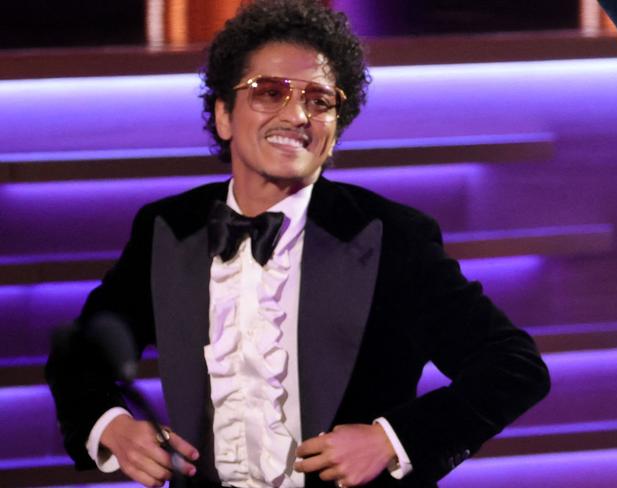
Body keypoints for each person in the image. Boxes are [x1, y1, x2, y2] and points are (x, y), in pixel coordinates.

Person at [46, 1, 550, 487]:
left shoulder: (391, 236)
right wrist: (109, 424)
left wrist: (391, 441)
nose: (297, 115)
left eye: (319, 100)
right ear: (223, 114)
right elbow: (79, 357)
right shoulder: (167, 228)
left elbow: (512, 366)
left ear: (334, 131)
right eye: (270, 92)